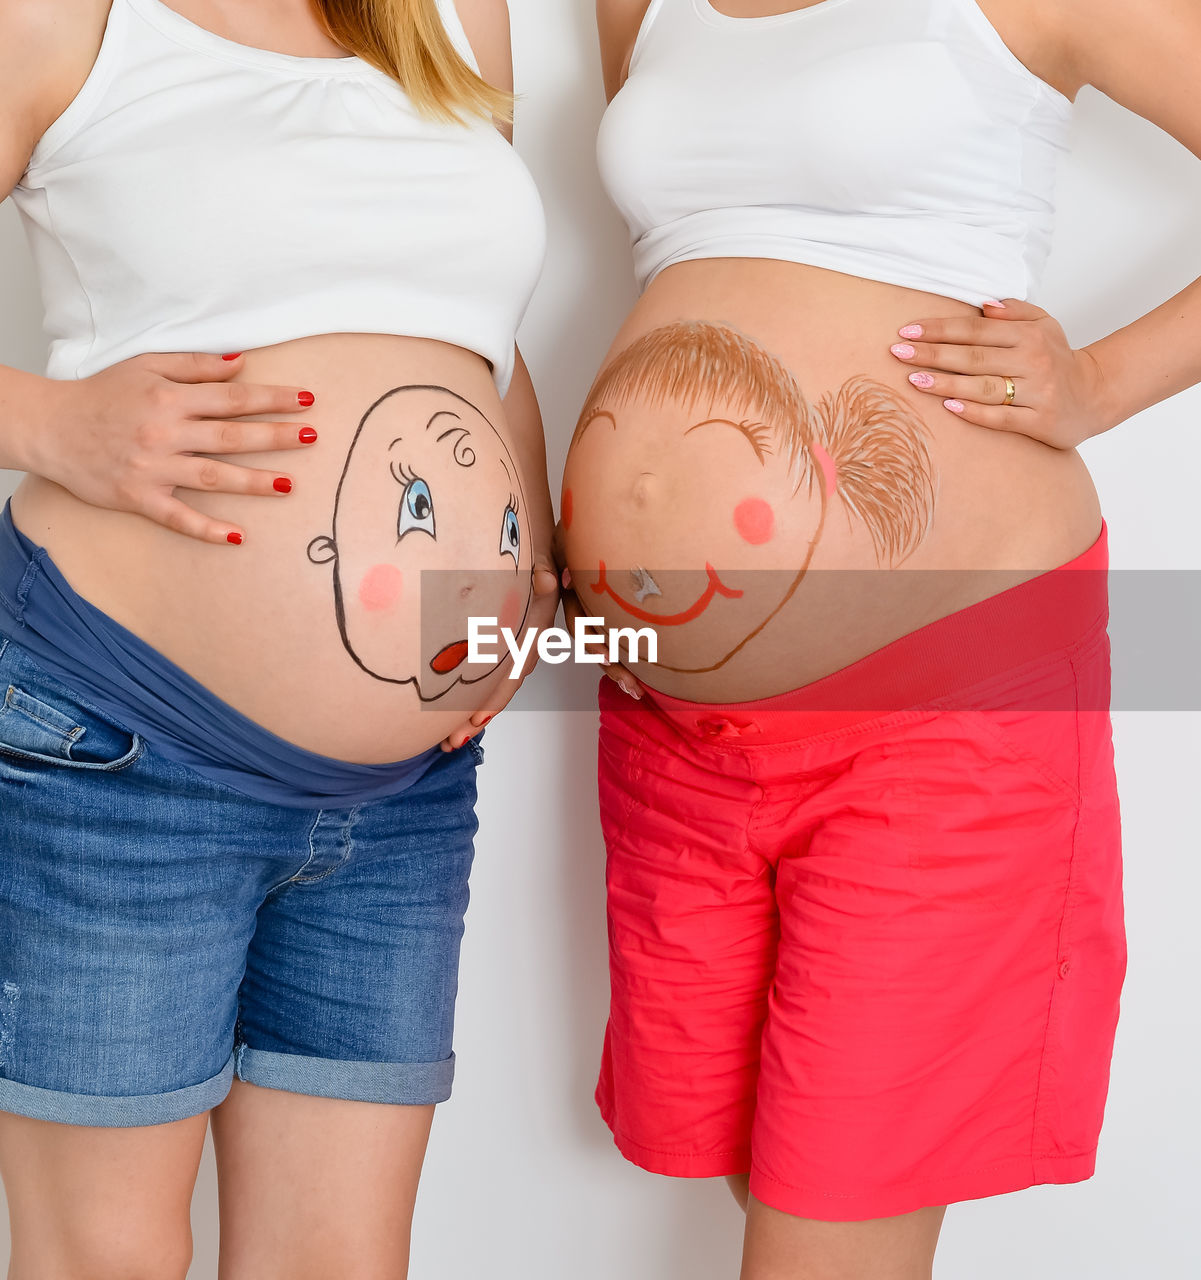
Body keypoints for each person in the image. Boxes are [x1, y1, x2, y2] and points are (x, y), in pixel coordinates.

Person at [559, 0, 1200, 1274]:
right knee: (770, 1180)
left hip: (945, 700)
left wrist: (1102, 383)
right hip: (672, 734)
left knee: (828, 1225)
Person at [0, 1, 554, 1275]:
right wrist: (48, 424)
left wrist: (522, 574)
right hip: (125, 750)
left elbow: (485, 338)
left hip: (406, 797)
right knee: (104, 1258)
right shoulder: (71, 20)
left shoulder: (453, 17)